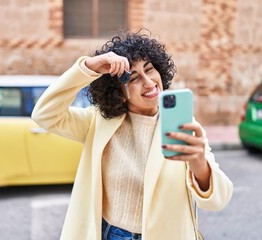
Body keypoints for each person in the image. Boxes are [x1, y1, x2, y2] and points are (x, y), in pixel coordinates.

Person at [32, 29, 233, 240]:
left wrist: (199, 162)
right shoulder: (98, 122)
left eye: (150, 69)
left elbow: (217, 200)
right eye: (134, 78)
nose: (148, 82)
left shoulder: (183, 125)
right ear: (119, 94)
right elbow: (45, 114)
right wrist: (88, 67)